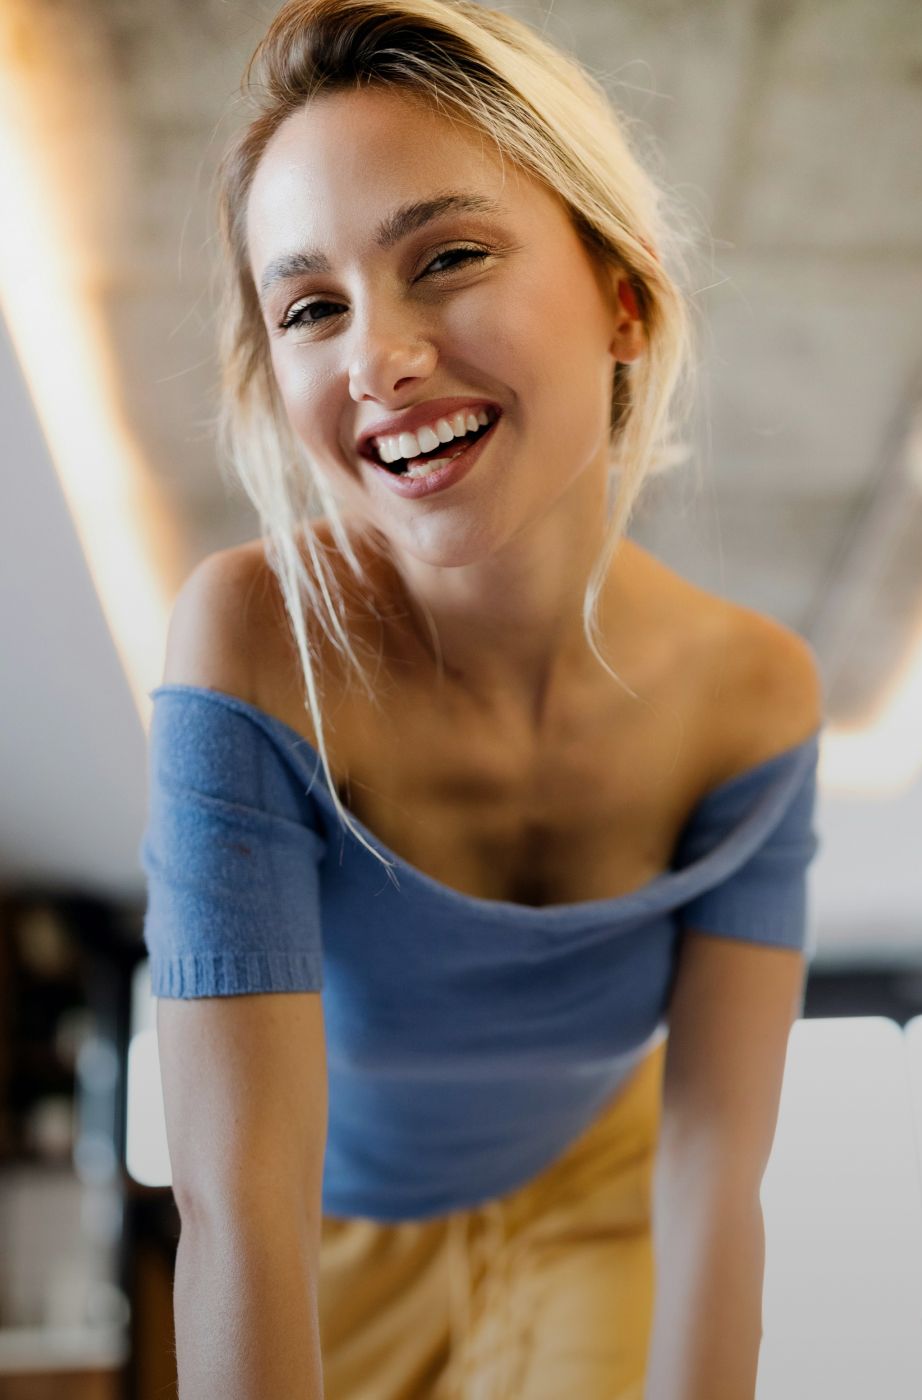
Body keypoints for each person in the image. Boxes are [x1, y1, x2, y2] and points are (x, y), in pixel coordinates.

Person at [139, 1, 825, 1397]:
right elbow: (237, 1205)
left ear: (622, 300)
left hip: (602, 1189)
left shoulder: (754, 696)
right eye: (312, 308)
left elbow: (713, 1179)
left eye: (446, 257)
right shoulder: (254, 641)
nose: (376, 359)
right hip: (332, 1225)